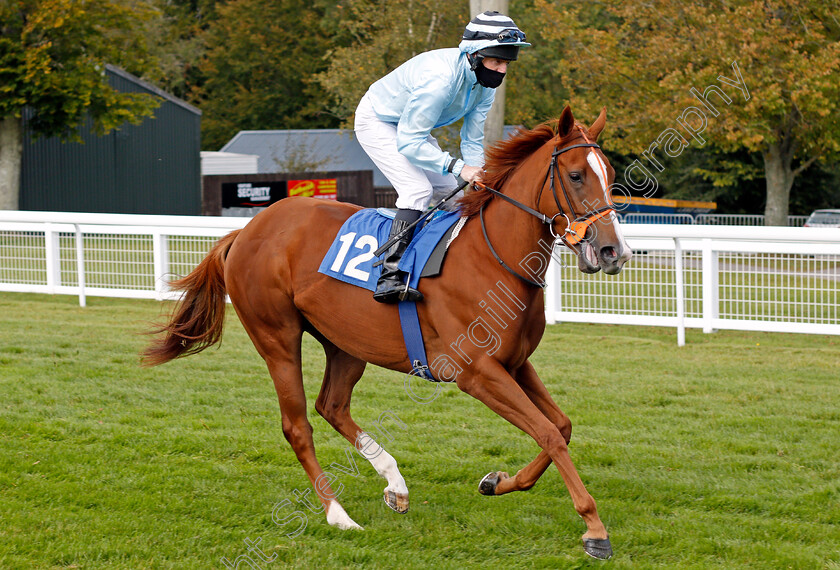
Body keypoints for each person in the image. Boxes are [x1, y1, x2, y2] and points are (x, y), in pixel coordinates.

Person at [354, 10, 530, 303]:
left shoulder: (484, 85)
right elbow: (409, 142)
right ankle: (389, 276)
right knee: (417, 189)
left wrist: (478, 173)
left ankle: (447, 268)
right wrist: (459, 167)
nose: (502, 71)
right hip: (379, 121)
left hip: (414, 127)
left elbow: (472, 139)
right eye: (496, 61)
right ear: (475, 55)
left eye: (506, 63)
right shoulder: (440, 80)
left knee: (456, 195)